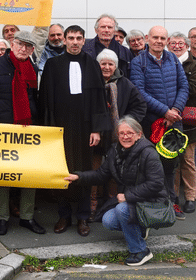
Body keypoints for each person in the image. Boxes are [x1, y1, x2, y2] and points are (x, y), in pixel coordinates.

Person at [0, 31, 46, 236]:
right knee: (3, 175)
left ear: (32, 50)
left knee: (30, 174)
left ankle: (27, 216)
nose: (23, 48)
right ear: (13, 44)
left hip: (29, 130)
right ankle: (2, 217)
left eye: (28, 46)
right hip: (2, 129)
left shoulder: (32, 68)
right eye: (20, 44)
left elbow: (37, 99)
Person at [65, 117, 166, 267]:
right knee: (108, 220)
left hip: (151, 200)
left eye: (130, 133)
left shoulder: (148, 153)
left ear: (139, 134)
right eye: (121, 133)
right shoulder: (115, 151)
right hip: (130, 199)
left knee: (122, 210)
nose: (125, 137)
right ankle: (140, 227)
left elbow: (156, 183)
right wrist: (79, 176)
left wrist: (127, 196)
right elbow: (101, 175)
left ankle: (140, 251)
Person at [39, 25, 110, 236]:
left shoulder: (92, 65)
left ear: (83, 40)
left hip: (85, 127)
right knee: (61, 170)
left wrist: (97, 130)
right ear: (65, 40)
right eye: (71, 38)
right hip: (60, 128)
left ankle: (82, 216)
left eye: (79, 38)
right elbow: (45, 100)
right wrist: (48, 130)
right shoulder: (53, 64)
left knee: (84, 171)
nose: (75, 42)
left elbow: (99, 99)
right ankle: (63, 215)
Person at [130, 26, 189, 219]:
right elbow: (139, 92)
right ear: (148, 38)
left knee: (171, 165)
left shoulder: (173, 58)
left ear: (167, 40)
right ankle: (153, 205)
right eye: (155, 37)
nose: (159, 41)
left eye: (163, 38)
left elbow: (183, 86)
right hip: (152, 124)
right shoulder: (138, 62)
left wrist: (176, 110)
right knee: (150, 165)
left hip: (174, 123)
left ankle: (172, 202)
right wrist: (165, 111)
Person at [93, 49, 146, 220]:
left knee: (115, 174)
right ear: (98, 64)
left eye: (110, 64)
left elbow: (140, 106)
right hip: (95, 136)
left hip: (117, 138)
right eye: (103, 63)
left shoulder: (125, 84)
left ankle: (111, 207)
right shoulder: (92, 81)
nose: (107, 67)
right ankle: (92, 206)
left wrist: (126, 124)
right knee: (95, 171)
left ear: (115, 66)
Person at [169, 31, 196, 214]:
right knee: (172, 161)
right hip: (169, 118)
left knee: (187, 160)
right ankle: (174, 198)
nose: (177, 46)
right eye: (173, 43)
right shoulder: (166, 61)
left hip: (188, 121)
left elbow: (193, 88)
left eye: (180, 43)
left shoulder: (194, 64)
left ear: (186, 45)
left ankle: (190, 197)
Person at [182, 27, 196, 213]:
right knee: (185, 158)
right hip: (187, 117)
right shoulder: (184, 61)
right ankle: (188, 197)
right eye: (193, 36)